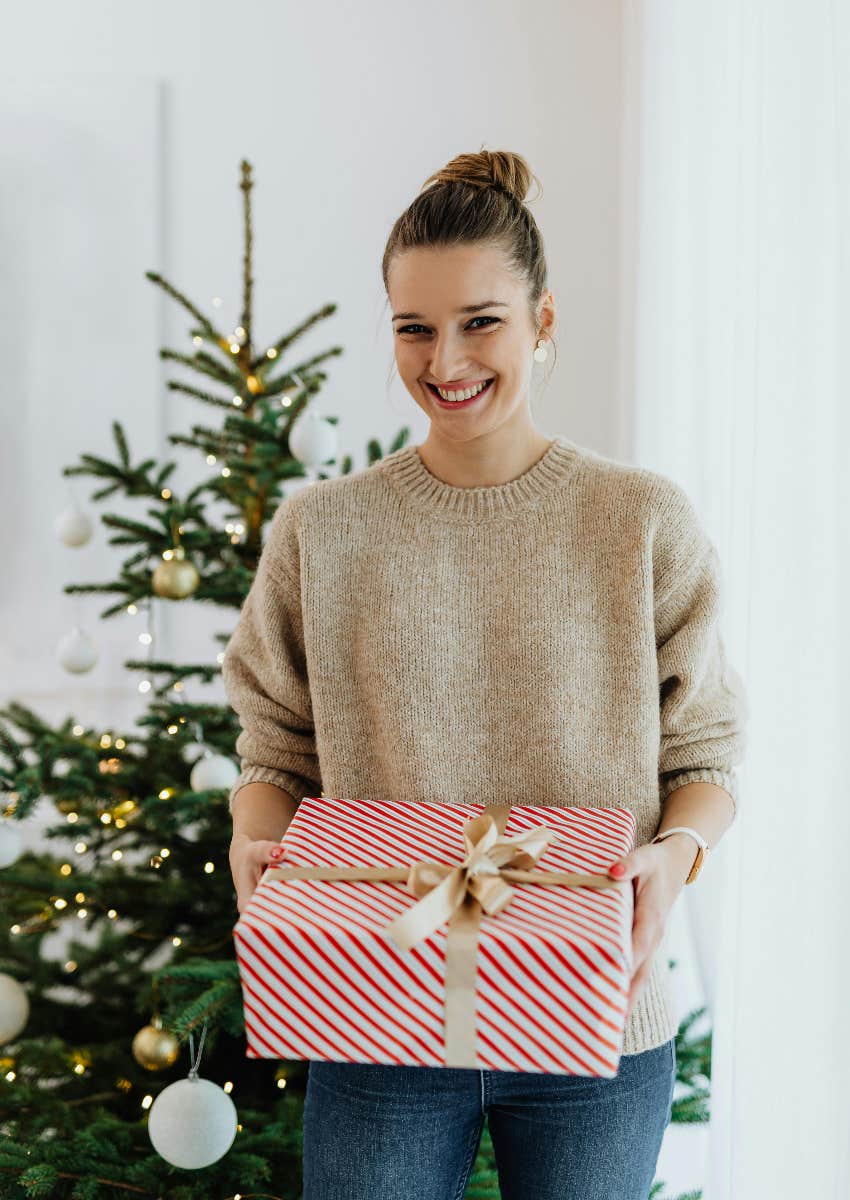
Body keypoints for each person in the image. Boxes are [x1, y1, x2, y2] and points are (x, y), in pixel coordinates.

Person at [223, 148, 748, 1200]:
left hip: (598, 1013)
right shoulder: (324, 531)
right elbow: (273, 744)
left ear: (543, 320)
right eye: (414, 328)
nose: (445, 359)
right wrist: (251, 829)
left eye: (482, 321)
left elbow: (706, 753)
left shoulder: (638, 519)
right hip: (379, 1016)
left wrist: (675, 854)